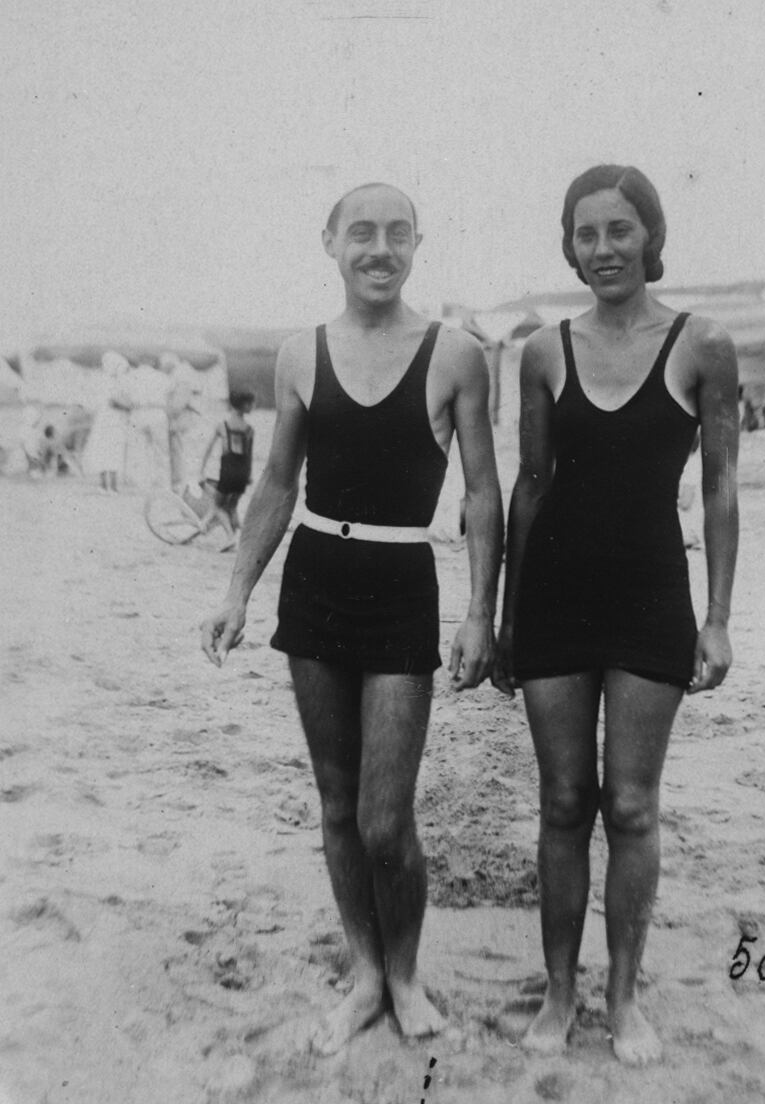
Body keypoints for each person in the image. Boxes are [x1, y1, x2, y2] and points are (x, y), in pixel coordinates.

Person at [200, 183, 503, 1055]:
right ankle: (367, 974)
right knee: (336, 806)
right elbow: (275, 486)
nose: (379, 249)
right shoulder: (300, 354)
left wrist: (481, 611)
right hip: (316, 579)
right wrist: (236, 593)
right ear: (329, 242)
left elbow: (483, 493)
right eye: (360, 233)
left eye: (397, 234)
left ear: (418, 245)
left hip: (403, 581)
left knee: (384, 818)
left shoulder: (457, 356)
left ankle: (406, 975)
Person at [492, 164, 739, 1065]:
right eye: (585, 233)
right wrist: (512, 617)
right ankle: (560, 991)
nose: (602, 249)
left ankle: (623, 996)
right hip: (555, 595)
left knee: (631, 806)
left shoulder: (703, 344)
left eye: (619, 230)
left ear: (651, 237)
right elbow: (529, 486)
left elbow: (719, 485)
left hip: (649, 597)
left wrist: (717, 618)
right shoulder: (544, 351)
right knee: (563, 802)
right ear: (570, 244)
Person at [198, 389, 256, 548]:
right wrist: (249, 475)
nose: (253, 406)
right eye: (251, 403)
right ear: (244, 405)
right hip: (243, 474)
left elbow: (208, 449)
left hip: (228, 472)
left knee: (217, 506)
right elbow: (248, 456)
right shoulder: (249, 429)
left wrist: (201, 471)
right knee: (232, 507)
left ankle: (230, 536)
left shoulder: (223, 426)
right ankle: (247, 537)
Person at [82, 351, 132, 491]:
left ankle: (108, 486)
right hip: (110, 421)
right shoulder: (109, 382)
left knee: (109, 453)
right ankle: (109, 487)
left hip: (109, 420)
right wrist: (130, 407)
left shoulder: (106, 380)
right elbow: (115, 402)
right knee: (109, 452)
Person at [162, 352, 204, 491]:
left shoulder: (180, 376)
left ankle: (180, 484)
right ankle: (181, 483)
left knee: (179, 453)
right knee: (180, 453)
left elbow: (178, 403)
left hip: (181, 420)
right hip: (182, 419)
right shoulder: (183, 373)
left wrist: (168, 414)